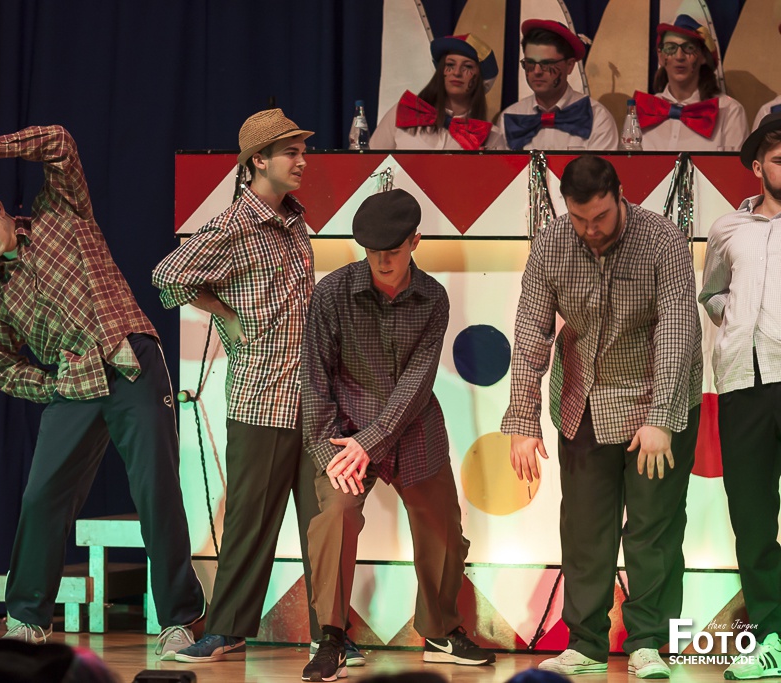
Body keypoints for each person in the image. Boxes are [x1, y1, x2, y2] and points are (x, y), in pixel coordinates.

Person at [0, 125, 205, 658]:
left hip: (129, 362)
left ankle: (178, 619)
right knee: (41, 497)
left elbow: (59, 143)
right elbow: (0, 367)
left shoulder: (62, 215)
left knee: (156, 491)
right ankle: (27, 619)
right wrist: (51, 384)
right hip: (73, 385)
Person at [152, 108, 362, 666]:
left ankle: (331, 634)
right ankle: (227, 628)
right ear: (258, 161)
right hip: (262, 394)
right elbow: (167, 277)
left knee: (323, 518)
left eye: (302, 150)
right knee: (250, 520)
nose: (302, 161)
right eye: (291, 152)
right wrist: (225, 315)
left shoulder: (294, 219)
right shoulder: (233, 225)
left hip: (313, 396)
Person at [502, 155, 703, 678]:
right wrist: (522, 418)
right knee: (585, 530)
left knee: (653, 529)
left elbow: (677, 330)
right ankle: (586, 644)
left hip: (655, 399)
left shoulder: (661, 239)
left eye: (601, 217)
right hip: (584, 399)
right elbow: (531, 330)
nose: (590, 229)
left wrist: (661, 417)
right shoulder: (552, 242)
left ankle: (649, 642)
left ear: (619, 195)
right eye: (579, 219)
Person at [300, 189, 494, 683]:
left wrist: (372, 441)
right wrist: (329, 451)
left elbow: (417, 382)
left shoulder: (433, 297)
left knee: (443, 526)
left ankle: (440, 630)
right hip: (346, 434)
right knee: (336, 516)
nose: (382, 260)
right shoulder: (332, 293)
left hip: (413, 428)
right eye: (372, 250)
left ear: (415, 242)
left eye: (393, 249)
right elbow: (314, 378)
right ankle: (331, 637)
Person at [699, 113, 781, 680]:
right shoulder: (728, 228)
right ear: (757, 167)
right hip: (742, 384)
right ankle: (772, 636)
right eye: (779, 159)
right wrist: (738, 324)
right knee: (751, 519)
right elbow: (711, 293)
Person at [496, 19, 617, 151]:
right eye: (530, 63)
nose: (537, 71)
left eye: (547, 63)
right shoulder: (509, 118)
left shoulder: (597, 117)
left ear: (569, 65)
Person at [370, 34, 505, 151]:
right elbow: (370, 164)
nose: (456, 72)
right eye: (450, 65)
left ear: (481, 79)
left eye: (467, 66)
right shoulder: (405, 112)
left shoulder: (491, 136)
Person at [634, 15, 748, 151]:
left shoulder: (729, 111)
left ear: (703, 56)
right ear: (660, 56)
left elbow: (734, 165)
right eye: (670, 48)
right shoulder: (643, 111)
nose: (679, 56)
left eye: (689, 48)